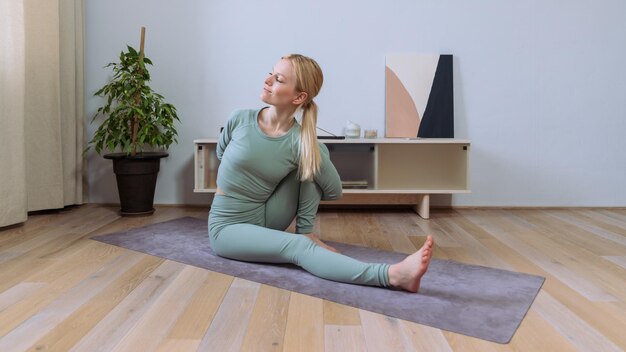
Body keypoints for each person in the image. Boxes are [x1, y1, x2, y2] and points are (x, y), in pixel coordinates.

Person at [208, 54, 434, 292]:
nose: (267, 80)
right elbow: (222, 156)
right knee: (297, 247)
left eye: (278, 79)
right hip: (228, 226)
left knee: (313, 155)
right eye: (270, 73)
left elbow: (333, 190)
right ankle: (392, 275)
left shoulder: (299, 141)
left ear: (299, 97)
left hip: (267, 216)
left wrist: (314, 151)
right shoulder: (239, 119)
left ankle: (305, 233)